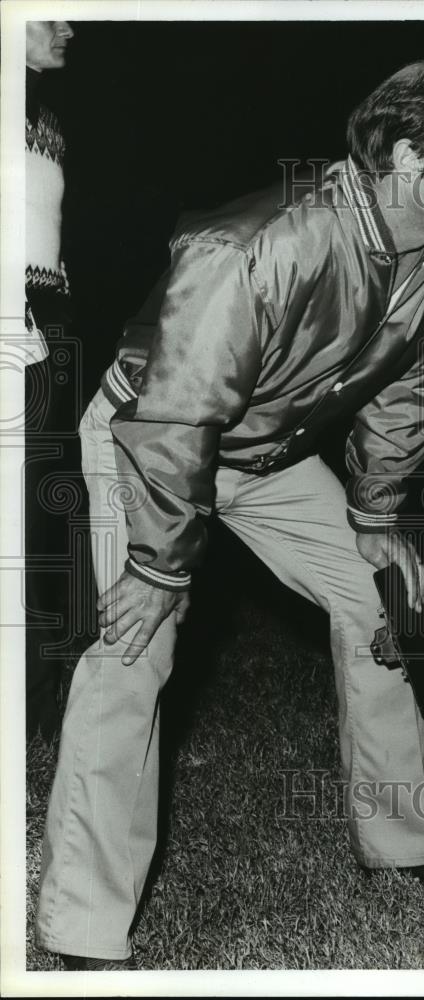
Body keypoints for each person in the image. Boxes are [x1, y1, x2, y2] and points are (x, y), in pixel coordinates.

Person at [36, 57, 424, 971]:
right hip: (152, 437)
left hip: (270, 454)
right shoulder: (257, 244)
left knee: (382, 600)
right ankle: (85, 931)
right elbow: (177, 415)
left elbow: (407, 383)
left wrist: (375, 511)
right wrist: (159, 567)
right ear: (409, 159)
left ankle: (405, 846)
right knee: (134, 646)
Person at [24, 20, 76, 740]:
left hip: (31, 341)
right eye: (52, 11)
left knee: (31, 531)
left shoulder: (44, 118)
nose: (69, 27)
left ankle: (34, 700)